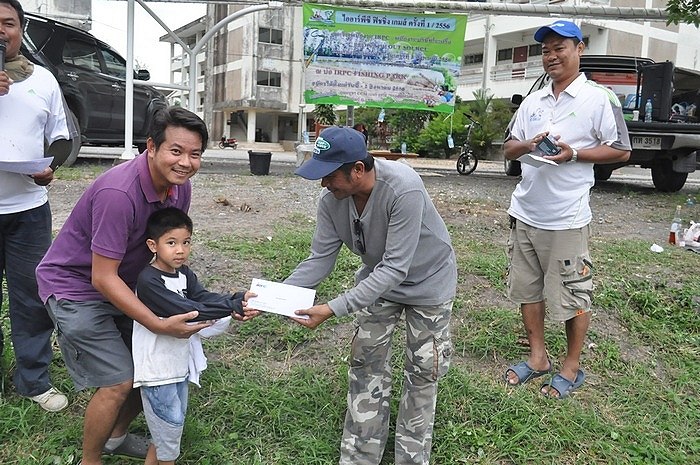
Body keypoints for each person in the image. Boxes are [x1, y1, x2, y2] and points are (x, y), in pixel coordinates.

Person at [35, 106, 212, 465]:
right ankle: (90, 459)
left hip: (124, 282)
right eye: (175, 151)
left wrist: (220, 304)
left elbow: (169, 250)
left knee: (145, 369)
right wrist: (157, 322)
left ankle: (115, 438)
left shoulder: (181, 188)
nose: (185, 163)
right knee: (119, 381)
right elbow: (101, 277)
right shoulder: (119, 193)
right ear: (151, 146)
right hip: (75, 286)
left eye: (195, 154)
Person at [285, 126, 457, 465]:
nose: (323, 184)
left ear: (358, 170)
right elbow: (319, 259)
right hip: (378, 282)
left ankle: (411, 457)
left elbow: (396, 268)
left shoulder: (403, 188)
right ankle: (360, 457)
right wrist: (272, 297)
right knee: (365, 363)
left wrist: (333, 308)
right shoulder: (332, 202)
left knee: (423, 371)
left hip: (428, 282)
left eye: (329, 175)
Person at [502, 20, 631, 399]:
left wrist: (574, 153)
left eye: (560, 47)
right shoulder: (533, 101)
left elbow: (621, 150)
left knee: (574, 294)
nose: (551, 56)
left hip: (567, 218)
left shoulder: (599, 98)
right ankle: (539, 358)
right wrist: (529, 144)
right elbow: (508, 147)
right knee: (528, 290)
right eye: (545, 50)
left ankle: (571, 368)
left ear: (580, 48)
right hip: (526, 212)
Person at [133, 207, 258, 465]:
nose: (180, 250)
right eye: (171, 243)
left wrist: (236, 298)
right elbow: (188, 309)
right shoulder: (149, 281)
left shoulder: (184, 274)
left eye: (186, 242)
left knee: (165, 435)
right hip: (157, 371)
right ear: (152, 245)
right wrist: (232, 306)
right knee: (169, 436)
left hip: (177, 367)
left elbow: (202, 297)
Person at [0, 0, 78, 412]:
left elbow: (58, 139)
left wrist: (49, 168)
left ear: (20, 29)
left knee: (31, 299)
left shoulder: (43, 80)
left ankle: (33, 380)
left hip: (28, 209)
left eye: (8, 23)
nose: (1, 31)